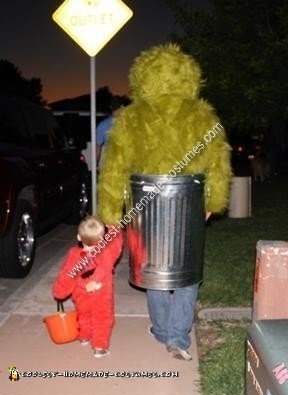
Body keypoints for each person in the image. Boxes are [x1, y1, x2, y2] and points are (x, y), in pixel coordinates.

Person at [98, 43, 232, 361]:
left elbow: (113, 168)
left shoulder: (130, 119)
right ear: (189, 76)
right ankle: (177, 337)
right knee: (187, 272)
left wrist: (110, 211)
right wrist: (214, 199)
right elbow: (219, 164)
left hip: (145, 207)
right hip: (189, 204)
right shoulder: (202, 116)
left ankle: (161, 330)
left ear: (142, 77)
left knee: (152, 267)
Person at [52, 216, 123, 358]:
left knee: (84, 315)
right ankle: (99, 347)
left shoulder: (73, 254)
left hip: (80, 294)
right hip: (101, 294)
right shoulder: (106, 252)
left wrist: (59, 292)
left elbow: (66, 275)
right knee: (102, 319)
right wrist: (116, 229)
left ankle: (84, 336)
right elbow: (115, 247)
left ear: (79, 237)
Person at [96, 95, 124, 169]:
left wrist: (96, 163)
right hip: (121, 160)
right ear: (122, 107)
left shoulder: (102, 124)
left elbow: (98, 147)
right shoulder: (127, 124)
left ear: (111, 108)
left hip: (107, 160)